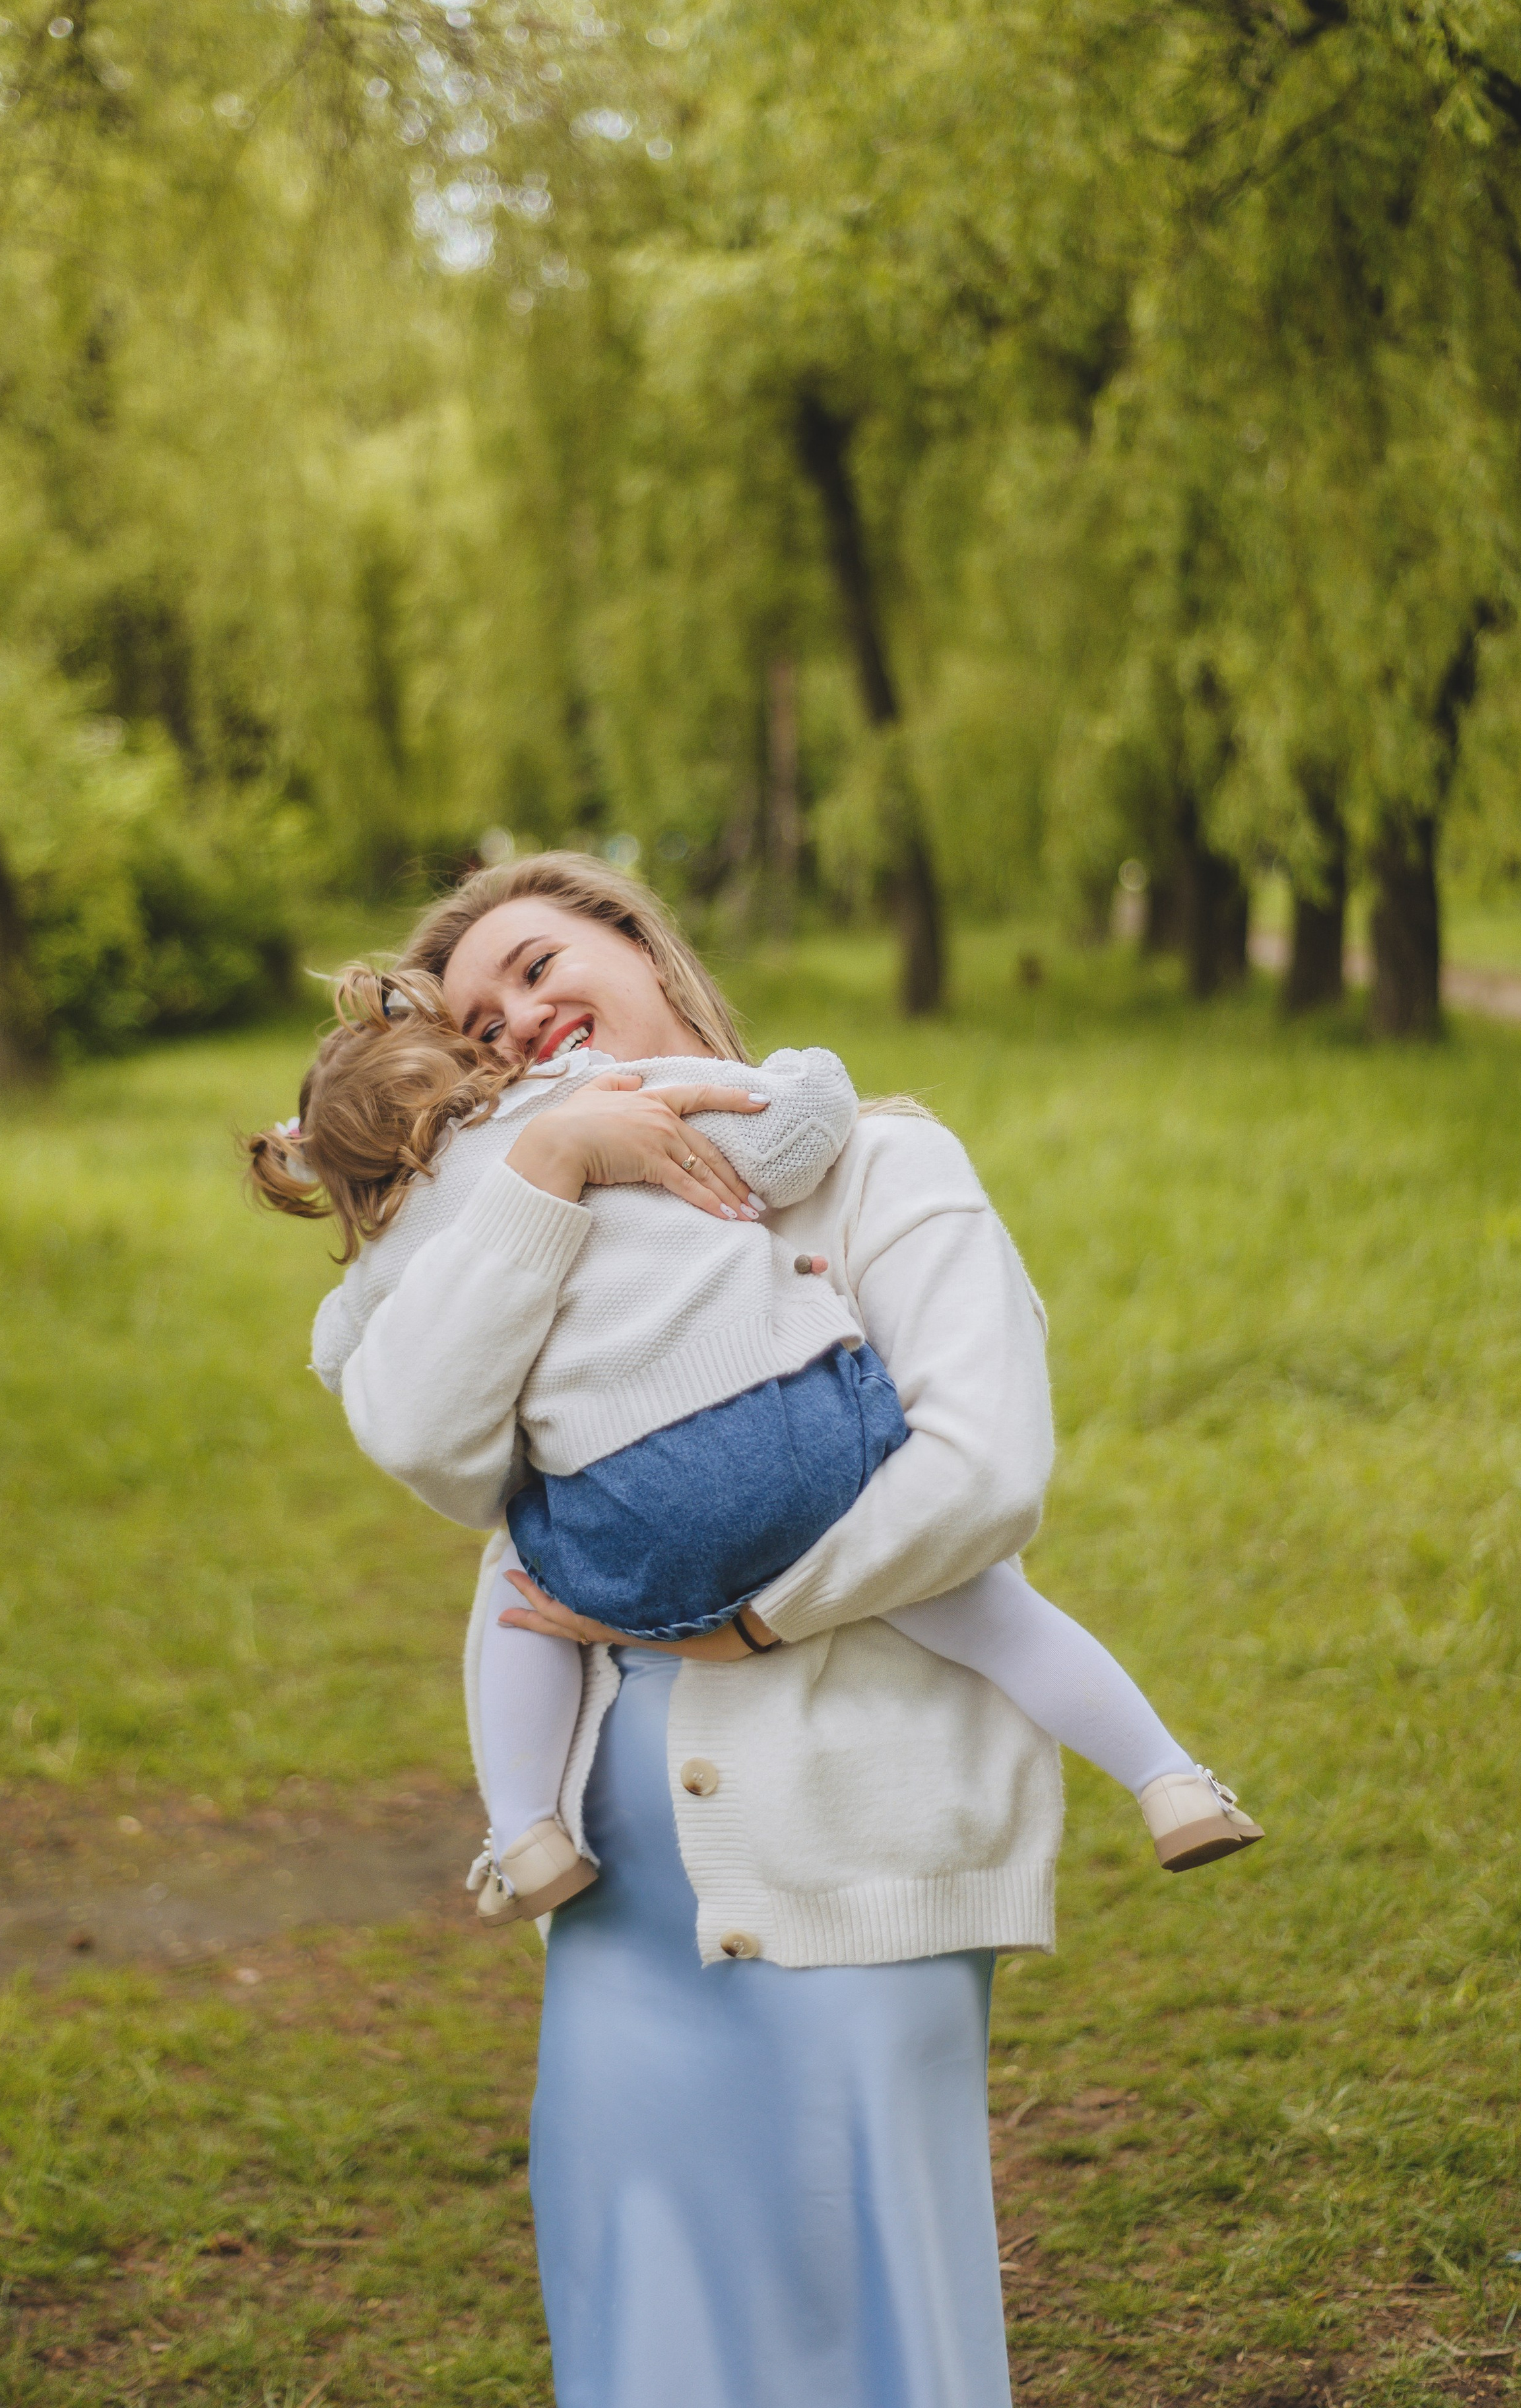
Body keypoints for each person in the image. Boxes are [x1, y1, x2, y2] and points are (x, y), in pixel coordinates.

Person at [257, 853, 1260, 2408]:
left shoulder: (872, 1160)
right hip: (622, 1875)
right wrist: (548, 1173)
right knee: (640, 2278)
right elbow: (423, 1440)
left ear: (634, 943)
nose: (516, 1018)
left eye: (536, 965)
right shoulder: (517, 1207)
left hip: (865, 1835)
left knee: (860, 2282)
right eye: (476, 1019)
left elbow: (979, 1476)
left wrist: (758, 1619)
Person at [247, 960, 1261, 1929]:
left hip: (632, 1518)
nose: (519, 1025)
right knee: (982, 1605)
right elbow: (798, 1126)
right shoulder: (599, 1091)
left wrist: (370, 1220)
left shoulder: (400, 1247)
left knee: (519, 1572)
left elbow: (342, 1357)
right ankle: (1169, 1780)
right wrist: (799, 1069)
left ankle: (526, 1837)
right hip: (799, 1424)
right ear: (475, 1067)